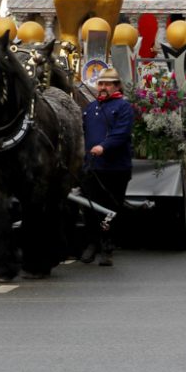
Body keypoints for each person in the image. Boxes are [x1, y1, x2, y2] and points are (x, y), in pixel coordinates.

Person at [79, 67, 134, 267]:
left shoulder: (123, 107)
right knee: (89, 208)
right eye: (100, 84)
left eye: (107, 84)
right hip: (92, 167)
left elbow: (121, 133)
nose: (103, 88)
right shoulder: (90, 107)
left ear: (116, 86)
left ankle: (107, 247)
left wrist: (103, 146)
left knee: (111, 208)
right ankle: (91, 244)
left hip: (116, 168)